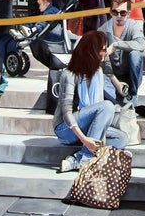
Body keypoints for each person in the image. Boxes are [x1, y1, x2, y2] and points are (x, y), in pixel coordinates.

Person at [50, 30, 130, 172]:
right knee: (107, 106)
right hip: (66, 129)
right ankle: (86, 158)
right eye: (102, 49)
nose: (105, 52)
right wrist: (85, 140)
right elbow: (66, 113)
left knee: (121, 138)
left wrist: (102, 134)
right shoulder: (69, 75)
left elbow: (98, 109)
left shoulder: (98, 73)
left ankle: (77, 158)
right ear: (92, 51)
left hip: (88, 126)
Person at [103, 0, 145, 104]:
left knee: (136, 54)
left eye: (122, 13)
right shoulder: (103, 30)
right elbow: (100, 59)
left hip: (129, 75)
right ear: (110, 13)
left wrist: (116, 45)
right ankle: (114, 99)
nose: (118, 16)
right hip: (111, 77)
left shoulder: (134, 26)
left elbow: (141, 45)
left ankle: (132, 94)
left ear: (128, 14)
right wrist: (116, 83)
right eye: (115, 12)